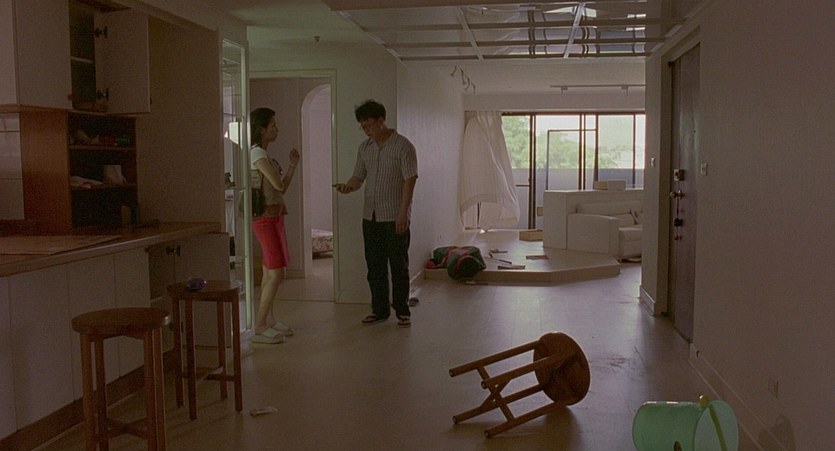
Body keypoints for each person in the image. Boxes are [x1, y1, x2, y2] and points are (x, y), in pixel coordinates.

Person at [335, 100, 418, 328]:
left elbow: (410, 180)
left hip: (394, 216)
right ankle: (379, 310)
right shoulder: (365, 148)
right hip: (370, 216)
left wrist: (403, 213)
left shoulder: (403, 146)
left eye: (368, 124)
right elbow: (358, 177)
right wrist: (348, 186)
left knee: (398, 265)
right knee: (374, 266)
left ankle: (402, 310)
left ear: (381, 120)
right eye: (362, 126)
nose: (365, 129)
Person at [249, 107, 300, 343]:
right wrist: (288, 169)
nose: (276, 129)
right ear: (262, 129)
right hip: (264, 219)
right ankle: (260, 325)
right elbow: (279, 185)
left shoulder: (263, 154)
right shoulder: (257, 154)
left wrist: (292, 165)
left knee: (271, 270)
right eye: (273, 125)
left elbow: (281, 187)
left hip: (274, 216)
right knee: (275, 270)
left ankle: (268, 319)